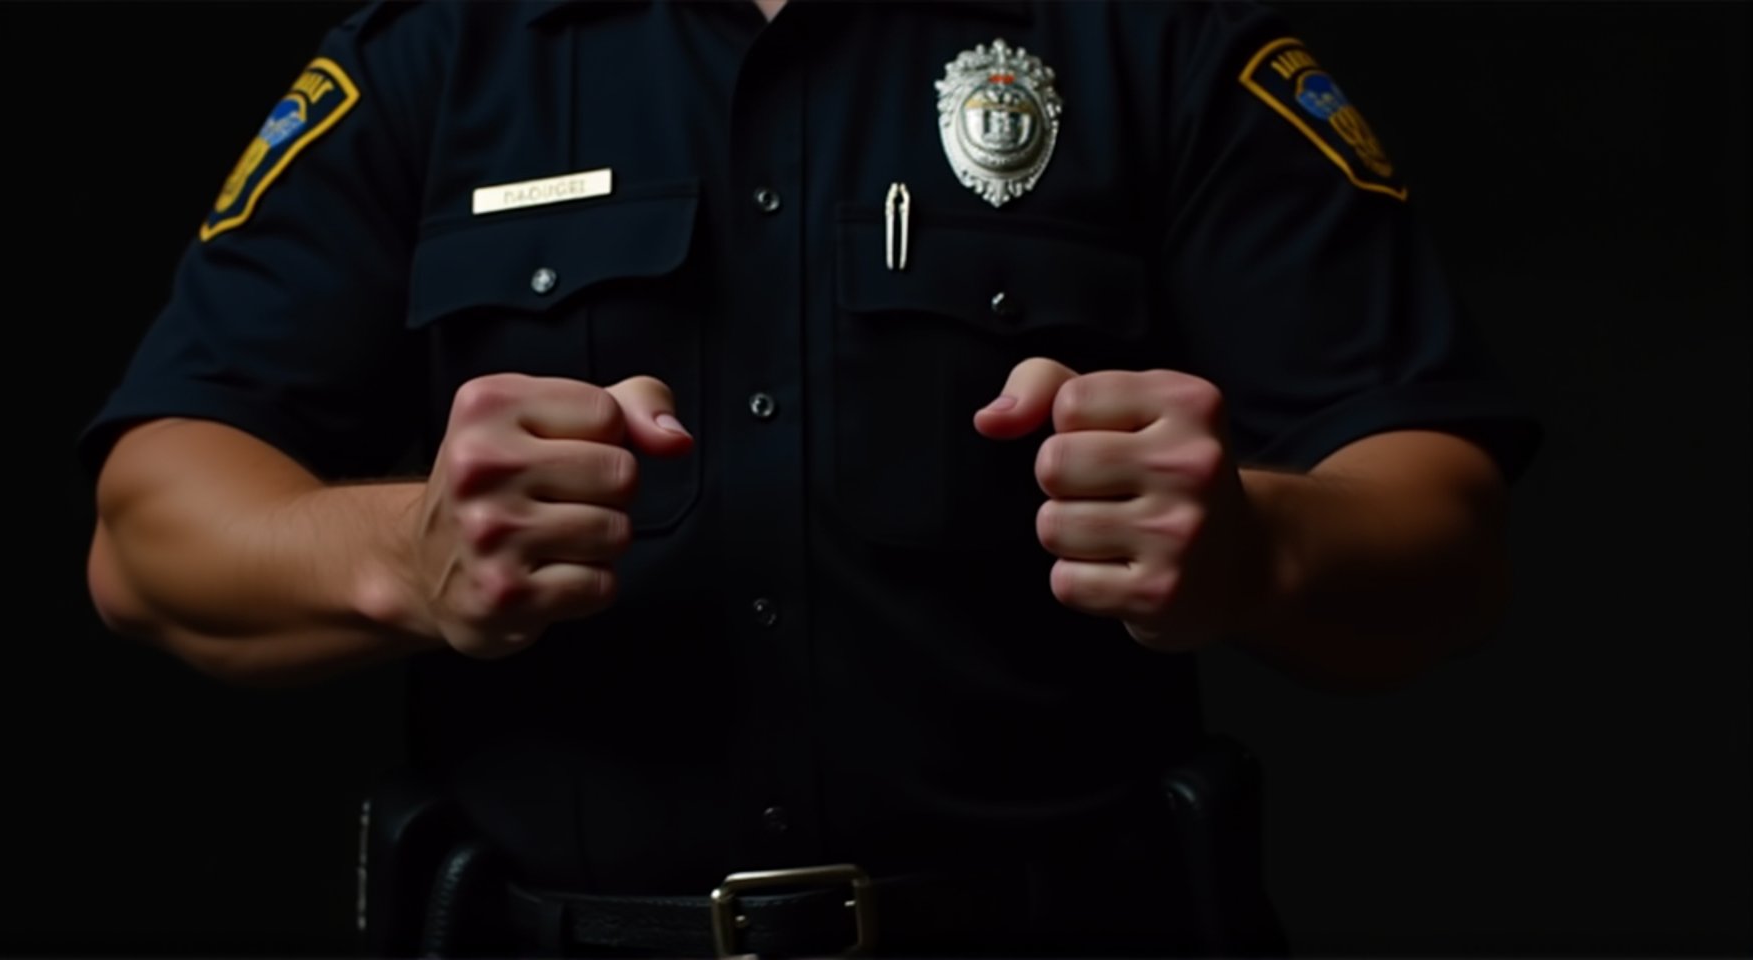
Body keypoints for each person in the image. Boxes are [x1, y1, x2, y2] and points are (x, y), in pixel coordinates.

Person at [79, 0, 1542, 955]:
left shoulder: (1157, 44)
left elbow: (1447, 527)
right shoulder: (443, 56)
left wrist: (1256, 546)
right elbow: (150, 532)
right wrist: (407, 550)